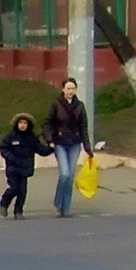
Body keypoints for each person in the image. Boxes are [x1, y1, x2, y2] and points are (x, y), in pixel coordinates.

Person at [43, 77, 94, 218]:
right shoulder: (56, 104)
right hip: (60, 143)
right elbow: (47, 124)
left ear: (75, 90)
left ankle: (65, 208)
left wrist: (88, 148)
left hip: (75, 144)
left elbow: (84, 128)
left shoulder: (80, 106)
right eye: (68, 88)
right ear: (63, 89)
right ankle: (58, 202)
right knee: (64, 174)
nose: (70, 91)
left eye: (73, 88)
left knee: (70, 176)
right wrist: (49, 140)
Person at [0, 112, 53, 219]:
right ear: (16, 124)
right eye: (20, 123)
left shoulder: (31, 138)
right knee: (14, 188)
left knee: (22, 192)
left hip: (25, 169)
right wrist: (11, 158)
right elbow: (4, 148)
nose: (22, 125)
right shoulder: (11, 136)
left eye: (25, 123)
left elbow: (40, 149)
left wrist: (51, 148)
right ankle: (4, 203)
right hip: (13, 169)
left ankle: (18, 211)